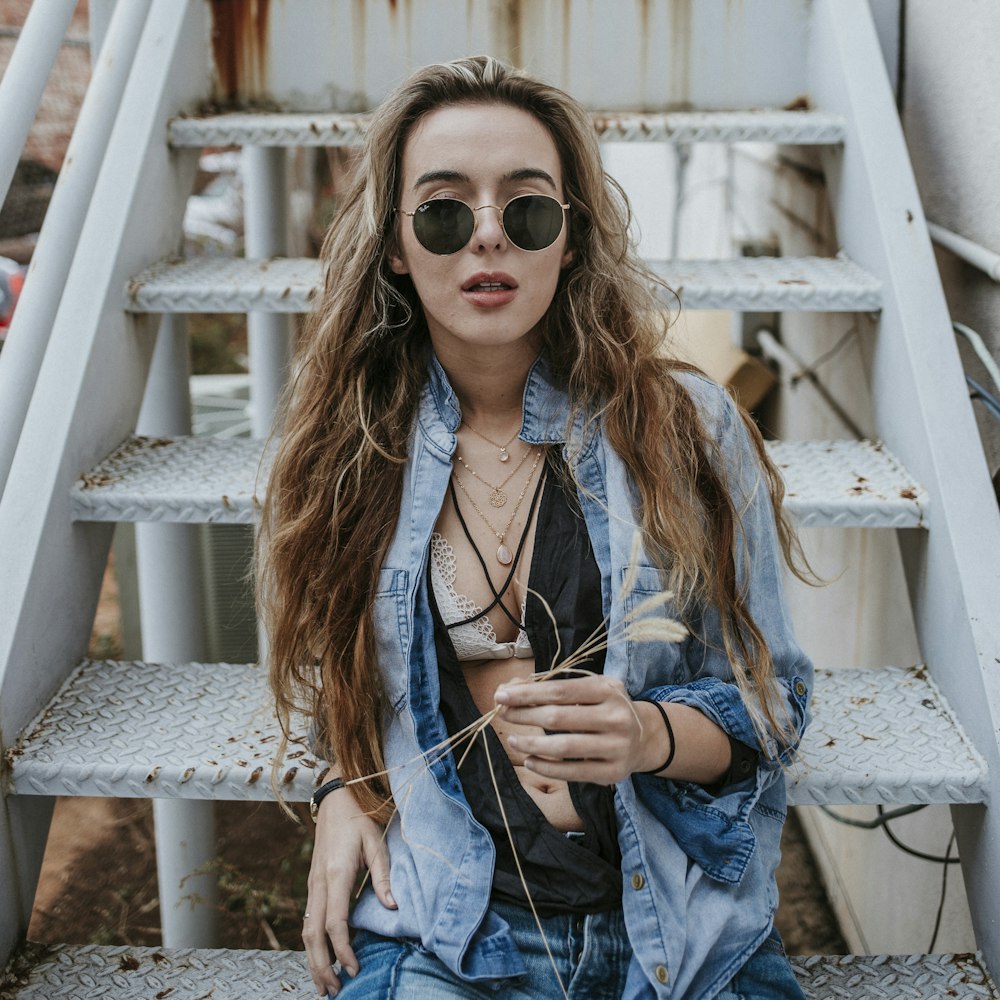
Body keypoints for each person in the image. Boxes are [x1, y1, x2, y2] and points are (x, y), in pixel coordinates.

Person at [258, 55, 813, 1000]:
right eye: (441, 210)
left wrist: (645, 732)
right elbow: (324, 671)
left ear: (570, 237)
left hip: (678, 938)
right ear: (394, 245)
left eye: (527, 210)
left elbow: (772, 703)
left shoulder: (687, 429)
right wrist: (340, 786)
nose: (487, 240)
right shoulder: (344, 448)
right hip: (448, 937)